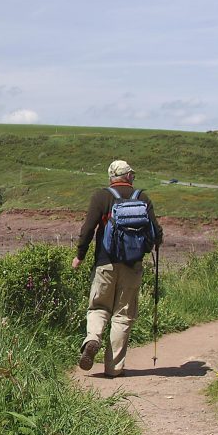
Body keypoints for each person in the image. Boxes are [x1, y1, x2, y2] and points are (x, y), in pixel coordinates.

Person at [72, 159, 163, 376]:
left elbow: (88, 229)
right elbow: (156, 233)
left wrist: (79, 256)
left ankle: (93, 339)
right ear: (128, 176)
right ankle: (113, 368)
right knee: (123, 315)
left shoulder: (101, 196)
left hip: (105, 263)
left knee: (98, 307)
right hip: (132, 266)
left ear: (111, 177)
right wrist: (145, 248)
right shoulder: (142, 197)